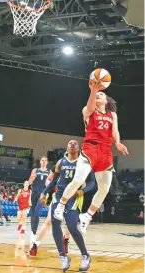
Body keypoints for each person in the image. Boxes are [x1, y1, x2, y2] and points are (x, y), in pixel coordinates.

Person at [54, 80, 129, 233]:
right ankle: (61, 205)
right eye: (97, 95)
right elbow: (89, 106)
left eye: (101, 94)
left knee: (104, 189)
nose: (98, 96)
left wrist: (118, 143)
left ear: (107, 101)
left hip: (105, 151)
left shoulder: (112, 114)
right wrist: (93, 91)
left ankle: (87, 217)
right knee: (78, 180)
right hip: (90, 148)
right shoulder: (88, 110)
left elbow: (115, 130)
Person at [40, 140, 95, 271]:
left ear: (79, 148)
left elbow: (92, 182)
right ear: (67, 147)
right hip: (59, 196)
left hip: (73, 197)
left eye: (75, 143)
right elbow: (53, 181)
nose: (72, 144)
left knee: (71, 226)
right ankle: (63, 256)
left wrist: (83, 191)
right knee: (55, 222)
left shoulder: (84, 163)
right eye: (70, 143)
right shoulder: (60, 162)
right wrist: (43, 193)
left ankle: (85, 255)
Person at [29, 165, 71, 256]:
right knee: (48, 222)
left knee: (70, 222)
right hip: (58, 196)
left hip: (70, 197)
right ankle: (36, 245)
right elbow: (48, 180)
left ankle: (66, 239)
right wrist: (54, 186)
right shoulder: (59, 164)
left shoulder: (78, 165)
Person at [28, 156, 51, 246]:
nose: (44, 161)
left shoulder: (49, 172)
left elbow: (49, 183)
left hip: (43, 193)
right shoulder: (35, 170)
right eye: (42, 160)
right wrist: (32, 178)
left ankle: (34, 232)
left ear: (47, 162)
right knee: (33, 212)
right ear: (40, 161)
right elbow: (29, 182)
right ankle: (32, 232)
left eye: (45, 160)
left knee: (37, 211)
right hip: (34, 192)